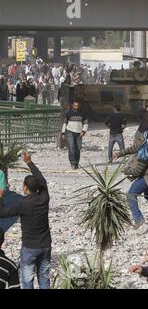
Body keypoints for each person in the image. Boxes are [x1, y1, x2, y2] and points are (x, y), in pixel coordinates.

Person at [0, 152, 51, 289]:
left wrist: (0, 196)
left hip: (29, 247)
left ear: (25, 188)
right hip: (46, 245)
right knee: (44, 277)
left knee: (27, 279)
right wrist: (29, 162)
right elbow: (42, 180)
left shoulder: (23, 204)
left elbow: (3, 212)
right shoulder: (44, 198)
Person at [114, 131, 148, 228]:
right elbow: (132, 149)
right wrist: (119, 154)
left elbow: (137, 171)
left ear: (143, 139)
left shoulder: (146, 153)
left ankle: (138, 219)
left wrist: (126, 171)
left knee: (131, 195)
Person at [61, 101, 88, 169]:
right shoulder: (69, 113)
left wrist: (84, 131)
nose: (76, 107)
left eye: (77, 106)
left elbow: (85, 123)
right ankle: (72, 163)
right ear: (72, 106)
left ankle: (76, 163)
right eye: (75, 106)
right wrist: (63, 132)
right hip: (70, 131)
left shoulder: (82, 113)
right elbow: (65, 123)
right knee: (71, 147)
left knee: (78, 148)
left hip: (79, 132)